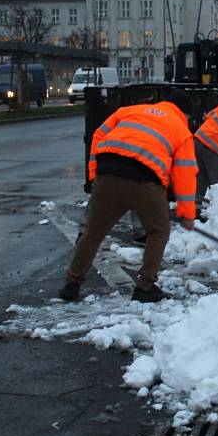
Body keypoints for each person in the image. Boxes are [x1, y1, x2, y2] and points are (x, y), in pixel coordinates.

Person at [58, 91, 197, 304]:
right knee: (158, 231)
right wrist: (186, 213)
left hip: (107, 174)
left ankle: (72, 285)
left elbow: (98, 135)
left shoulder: (130, 111)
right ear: (184, 113)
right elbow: (185, 173)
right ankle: (145, 287)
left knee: (93, 232)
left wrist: (95, 174)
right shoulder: (181, 129)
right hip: (145, 182)